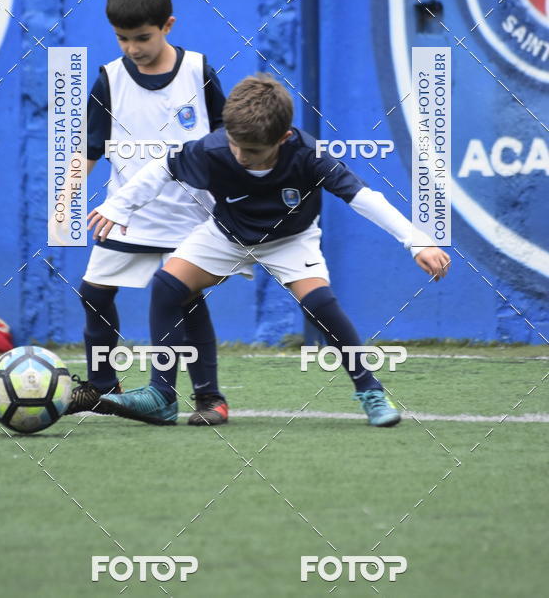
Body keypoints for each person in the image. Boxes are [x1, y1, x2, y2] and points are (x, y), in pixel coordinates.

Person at [88, 73, 451, 428]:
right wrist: (119, 207)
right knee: (168, 286)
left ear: (284, 136)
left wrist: (415, 240)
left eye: (253, 150)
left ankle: (370, 390)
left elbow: (362, 197)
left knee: (319, 305)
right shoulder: (214, 149)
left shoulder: (308, 155)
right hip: (227, 233)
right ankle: (162, 396)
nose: (241, 155)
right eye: (234, 144)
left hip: (290, 239)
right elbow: (162, 168)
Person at [65, 0, 228, 425]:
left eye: (142, 37)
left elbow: (226, 140)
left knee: (186, 301)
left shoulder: (199, 70)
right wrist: (67, 192)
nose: (132, 48)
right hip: (127, 215)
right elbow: (91, 147)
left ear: (168, 26)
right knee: (94, 292)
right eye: (122, 38)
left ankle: (209, 398)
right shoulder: (109, 81)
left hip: (190, 218)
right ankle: (102, 385)